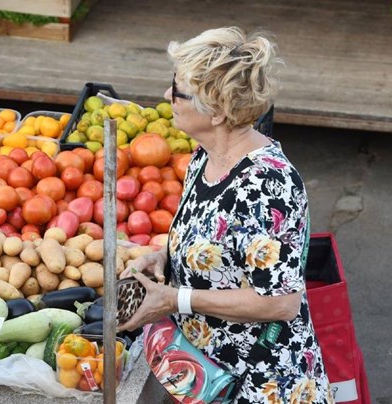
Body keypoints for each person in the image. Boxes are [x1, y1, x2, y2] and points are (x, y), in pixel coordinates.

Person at [119, 27, 332, 402]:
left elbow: (279, 302)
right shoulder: (205, 156)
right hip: (209, 374)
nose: (167, 96)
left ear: (216, 112)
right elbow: (212, 240)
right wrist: (164, 257)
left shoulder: (267, 185)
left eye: (178, 90)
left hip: (258, 383)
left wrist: (175, 299)